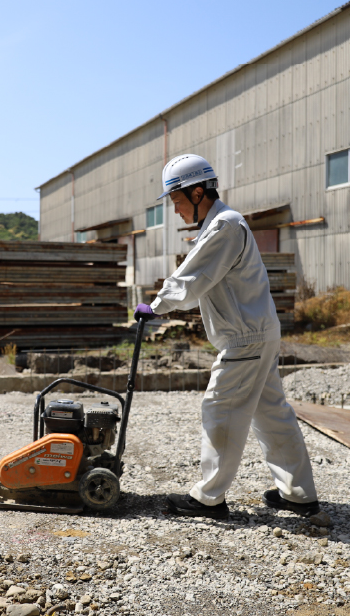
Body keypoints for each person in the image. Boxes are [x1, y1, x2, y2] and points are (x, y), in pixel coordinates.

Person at [134, 154, 319, 519]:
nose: (175, 210)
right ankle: (299, 494)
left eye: (176, 201)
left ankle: (209, 498)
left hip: (245, 340)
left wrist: (156, 306)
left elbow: (193, 278)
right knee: (272, 415)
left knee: (220, 409)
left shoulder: (225, 226)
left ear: (198, 192)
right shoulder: (220, 225)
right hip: (256, 334)